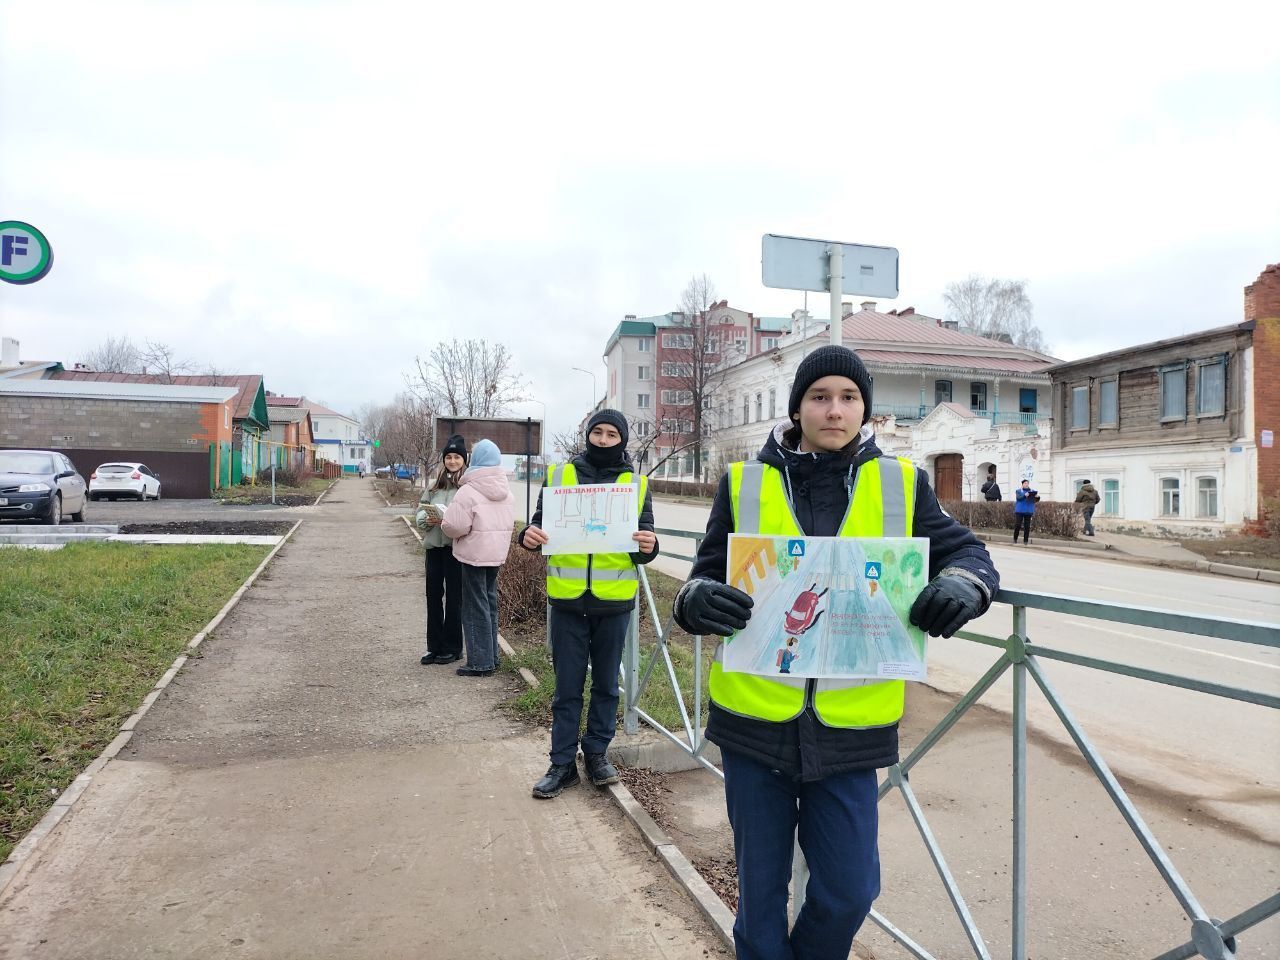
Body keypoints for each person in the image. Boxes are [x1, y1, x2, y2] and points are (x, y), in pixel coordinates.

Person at [671, 345, 999, 960]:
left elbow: (970, 555)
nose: (835, 409)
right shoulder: (744, 482)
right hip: (754, 724)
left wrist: (964, 584)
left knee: (850, 890)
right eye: (820, 396)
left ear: (866, 410)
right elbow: (703, 574)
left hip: (851, 730)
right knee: (759, 896)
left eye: (849, 398)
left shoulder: (902, 484)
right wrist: (696, 602)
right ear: (798, 407)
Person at [517, 410, 659, 799]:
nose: (603, 439)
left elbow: (645, 542)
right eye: (597, 431)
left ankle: (596, 752)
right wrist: (526, 536)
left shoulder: (636, 484)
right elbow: (538, 527)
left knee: (606, 685)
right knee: (566, 687)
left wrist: (649, 547)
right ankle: (561, 764)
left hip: (613, 603)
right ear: (587, 435)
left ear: (623, 439)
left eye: (612, 433)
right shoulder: (560, 476)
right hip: (566, 601)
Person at [441, 439, 516, 677]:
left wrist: (446, 525)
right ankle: (492, 656)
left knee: (474, 607)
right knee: (489, 604)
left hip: (473, 556)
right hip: (496, 555)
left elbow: (454, 526)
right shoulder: (507, 491)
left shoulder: (468, 491)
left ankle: (480, 662)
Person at [415, 435, 468, 666]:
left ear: (464, 460)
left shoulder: (466, 487)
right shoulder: (434, 487)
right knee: (433, 598)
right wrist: (426, 519)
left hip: (456, 551)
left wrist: (451, 521)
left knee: (455, 599)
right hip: (434, 549)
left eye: (457, 457)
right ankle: (433, 646)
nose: (452, 461)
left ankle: (453, 647)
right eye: (449, 457)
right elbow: (419, 512)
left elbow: (470, 516)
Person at [1014, 478, 1039, 544]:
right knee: (1018, 525)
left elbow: (1035, 500)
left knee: (1027, 526)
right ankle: (1015, 539)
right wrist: (1024, 495)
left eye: (1027, 483)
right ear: (1022, 484)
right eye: (1025, 483)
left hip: (1028, 511)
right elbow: (1018, 498)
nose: (1026, 484)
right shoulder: (1019, 491)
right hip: (1020, 511)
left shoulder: (1032, 491)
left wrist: (1037, 497)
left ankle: (1025, 541)